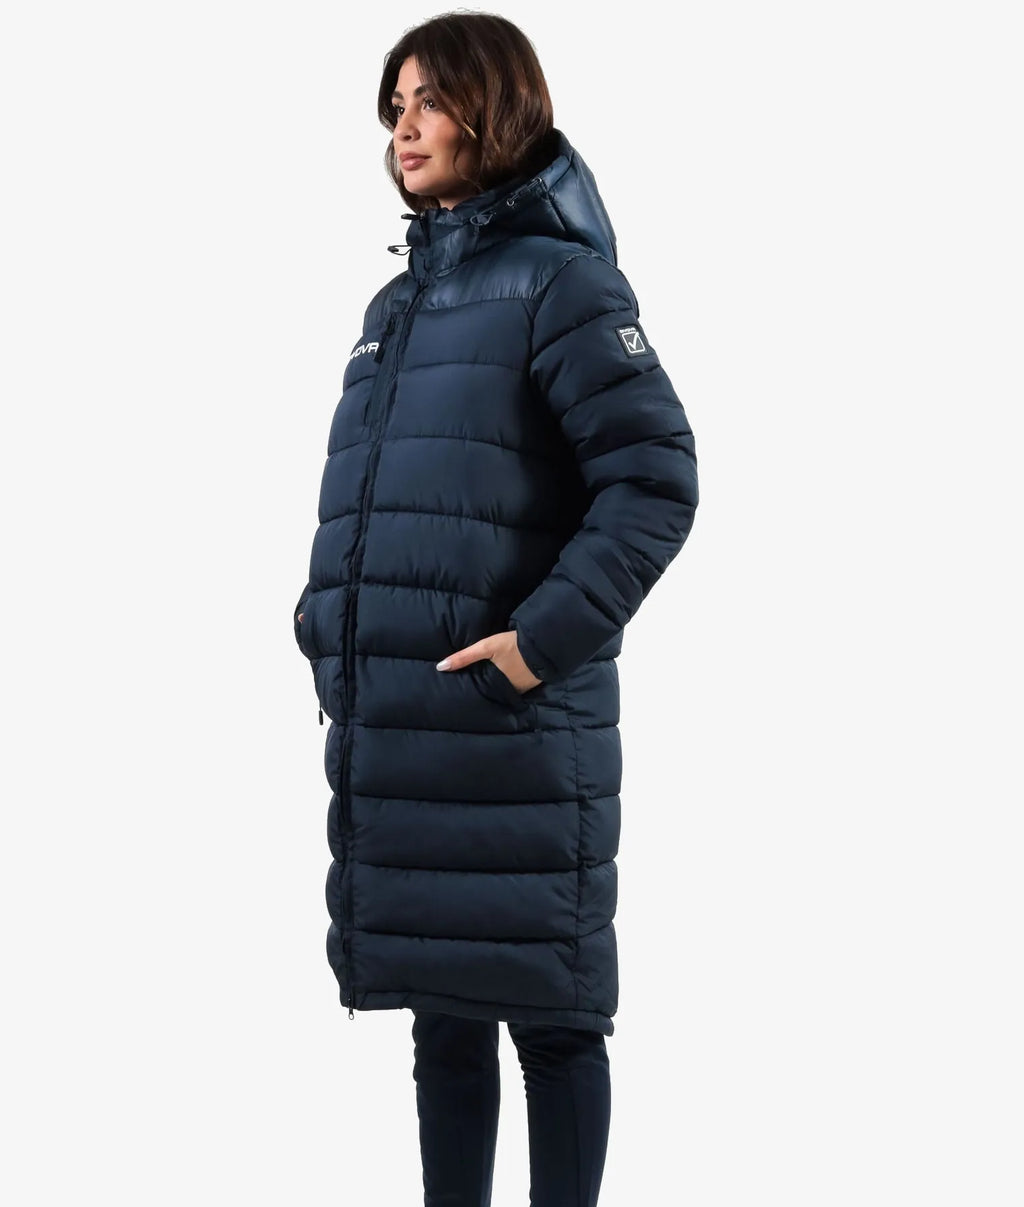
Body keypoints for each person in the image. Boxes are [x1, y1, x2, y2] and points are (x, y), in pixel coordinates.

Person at [293, 12, 699, 1206]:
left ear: (495, 107)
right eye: (395, 107)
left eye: (429, 100)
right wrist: (324, 622)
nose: (403, 128)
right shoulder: (397, 306)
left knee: (555, 1021)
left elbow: (654, 481)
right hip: (411, 730)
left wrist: (536, 646)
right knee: (446, 1018)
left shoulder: (561, 283)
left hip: (516, 727)